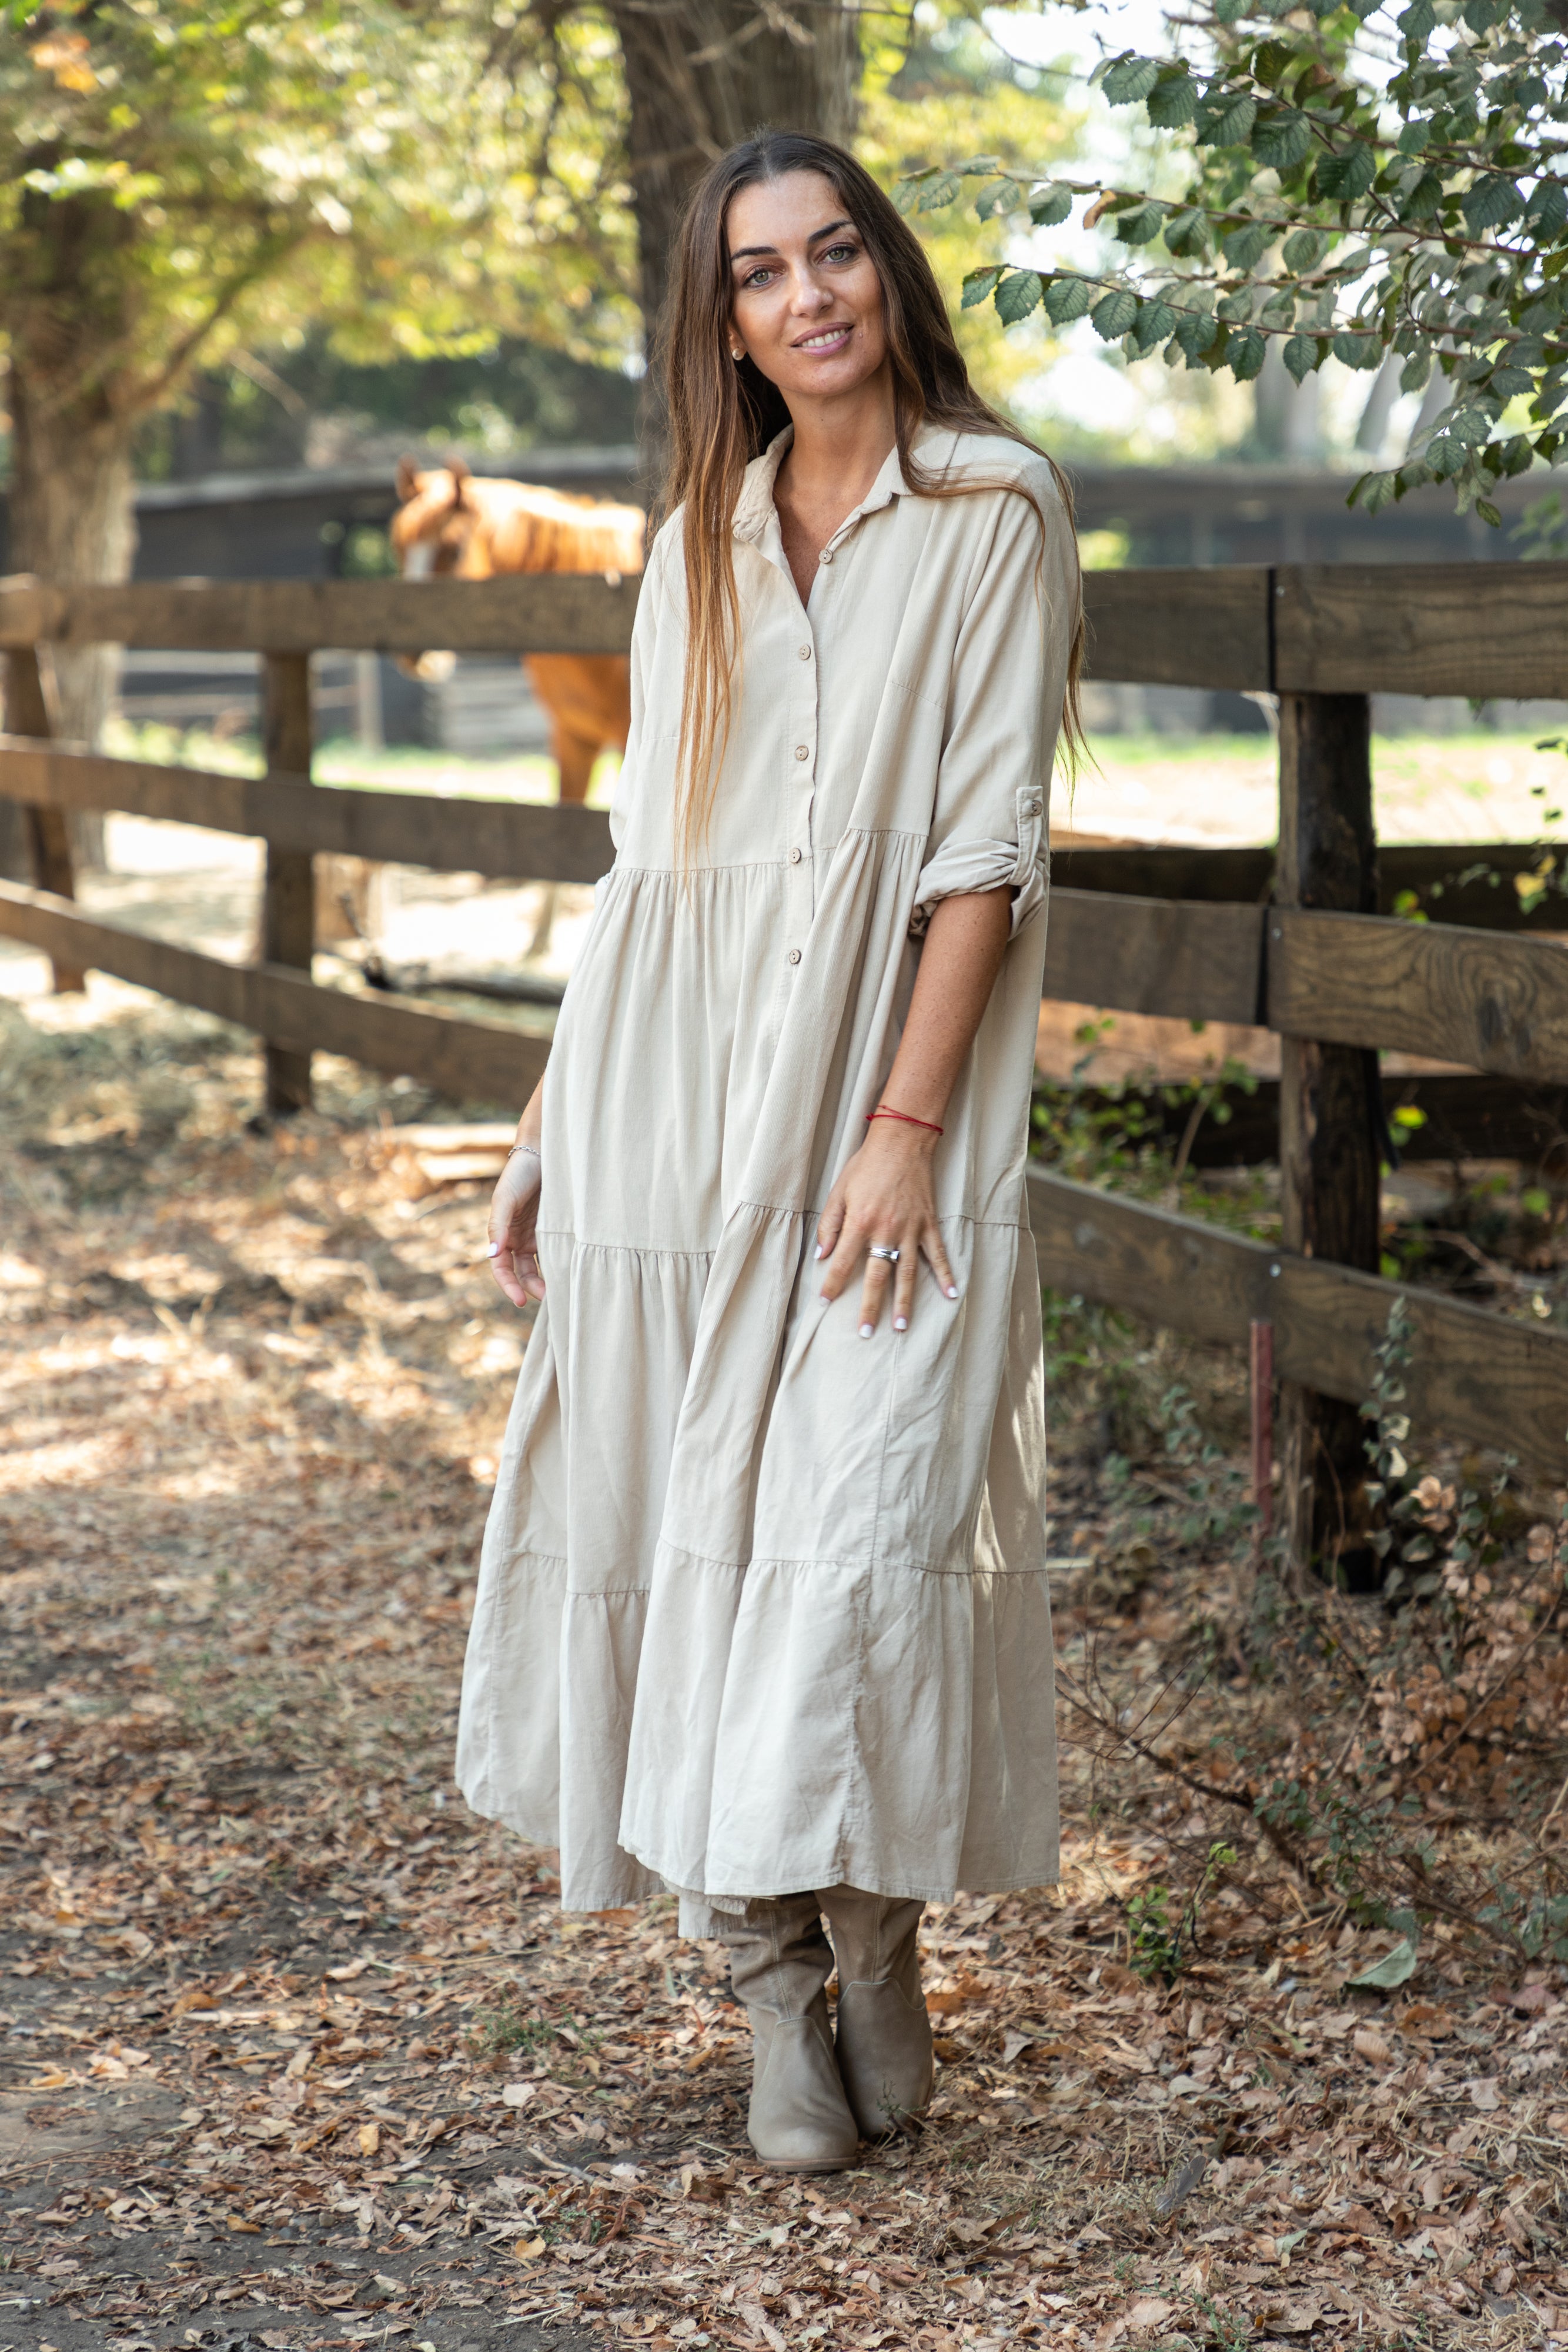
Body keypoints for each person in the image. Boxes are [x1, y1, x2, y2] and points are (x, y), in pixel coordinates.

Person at [459, 129, 1084, 2174]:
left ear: (885, 272)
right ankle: (766, 1990)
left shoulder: (991, 507)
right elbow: (643, 866)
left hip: (884, 1098)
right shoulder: (695, 550)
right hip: (669, 1101)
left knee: (853, 1519)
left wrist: (902, 1126)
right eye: (758, 271)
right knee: (687, 1524)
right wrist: (545, 1124)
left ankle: (877, 1936)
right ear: (721, 320)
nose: (805, 296)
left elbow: (986, 848)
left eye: (833, 254)